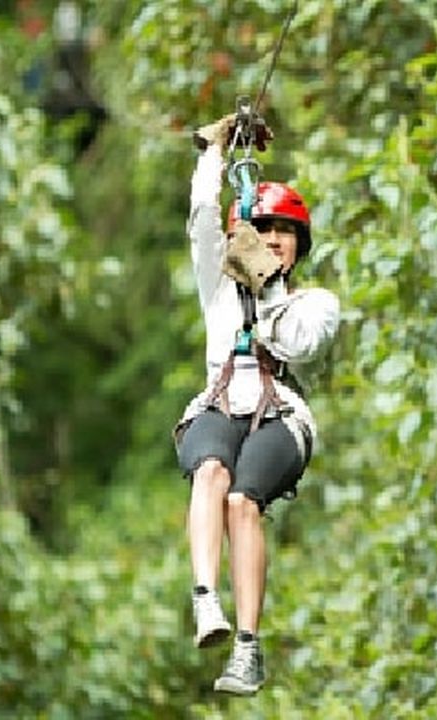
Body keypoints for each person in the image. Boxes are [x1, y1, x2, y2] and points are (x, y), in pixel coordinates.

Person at [173, 113, 340, 695]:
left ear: (298, 245)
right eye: (261, 229)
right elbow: (200, 220)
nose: (271, 239)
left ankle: (247, 648)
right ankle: (204, 599)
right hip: (221, 398)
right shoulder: (217, 289)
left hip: (279, 413)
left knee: (245, 501)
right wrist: (213, 151)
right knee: (211, 470)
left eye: (283, 232)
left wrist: (267, 282)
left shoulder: (315, 303)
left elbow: (295, 342)